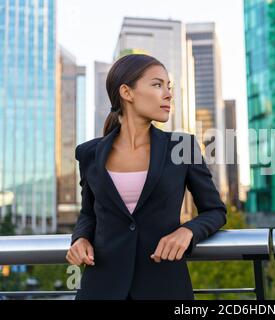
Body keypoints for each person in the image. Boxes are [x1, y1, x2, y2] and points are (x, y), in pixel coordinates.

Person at [66, 54, 227, 300]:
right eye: (157, 84)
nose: (168, 94)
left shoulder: (181, 147)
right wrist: (80, 239)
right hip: (100, 287)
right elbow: (89, 214)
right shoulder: (89, 153)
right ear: (127, 93)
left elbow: (215, 211)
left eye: (168, 86)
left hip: (165, 287)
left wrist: (188, 232)